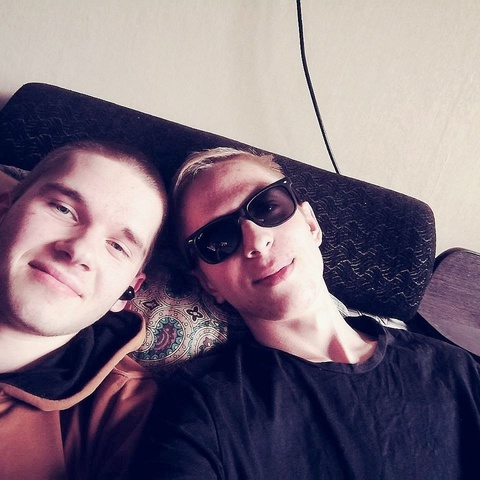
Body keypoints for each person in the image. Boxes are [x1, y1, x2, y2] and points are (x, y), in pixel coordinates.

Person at [137, 147, 480, 479]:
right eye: (217, 240)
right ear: (208, 284)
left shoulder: (458, 370)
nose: (256, 241)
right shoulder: (201, 408)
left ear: (311, 224)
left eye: (267, 207)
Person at [0, 140, 167, 479]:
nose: (79, 252)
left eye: (117, 246)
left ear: (128, 291)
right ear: (5, 208)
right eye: (63, 209)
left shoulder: (123, 412)